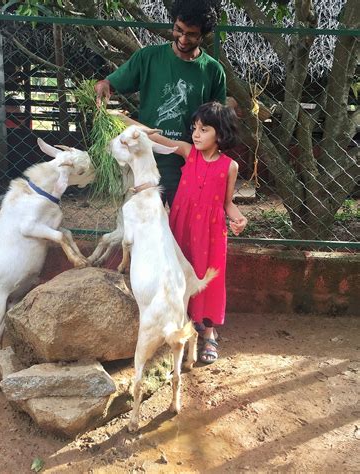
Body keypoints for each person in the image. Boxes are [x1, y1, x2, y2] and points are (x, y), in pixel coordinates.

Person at [113, 102, 247, 364]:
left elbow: (227, 202)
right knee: (178, 274)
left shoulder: (230, 166)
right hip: (181, 226)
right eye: (194, 128)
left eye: (204, 129)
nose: (196, 134)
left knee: (207, 277)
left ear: (220, 134)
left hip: (211, 232)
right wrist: (121, 119)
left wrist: (239, 219)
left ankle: (209, 332)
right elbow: (151, 136)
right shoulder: (188, 153)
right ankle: (181, 324)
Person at [95, 0, 226, 207]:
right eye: (178, 30)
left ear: (203, 34)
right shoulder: (148, 57)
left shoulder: (212, 70)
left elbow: (217, 123)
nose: (183, 39)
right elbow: (111, 83)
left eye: (191, 34)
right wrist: (104, 85)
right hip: (146, 158)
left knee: (183, 225)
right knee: (144, 224)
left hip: (187, 162)